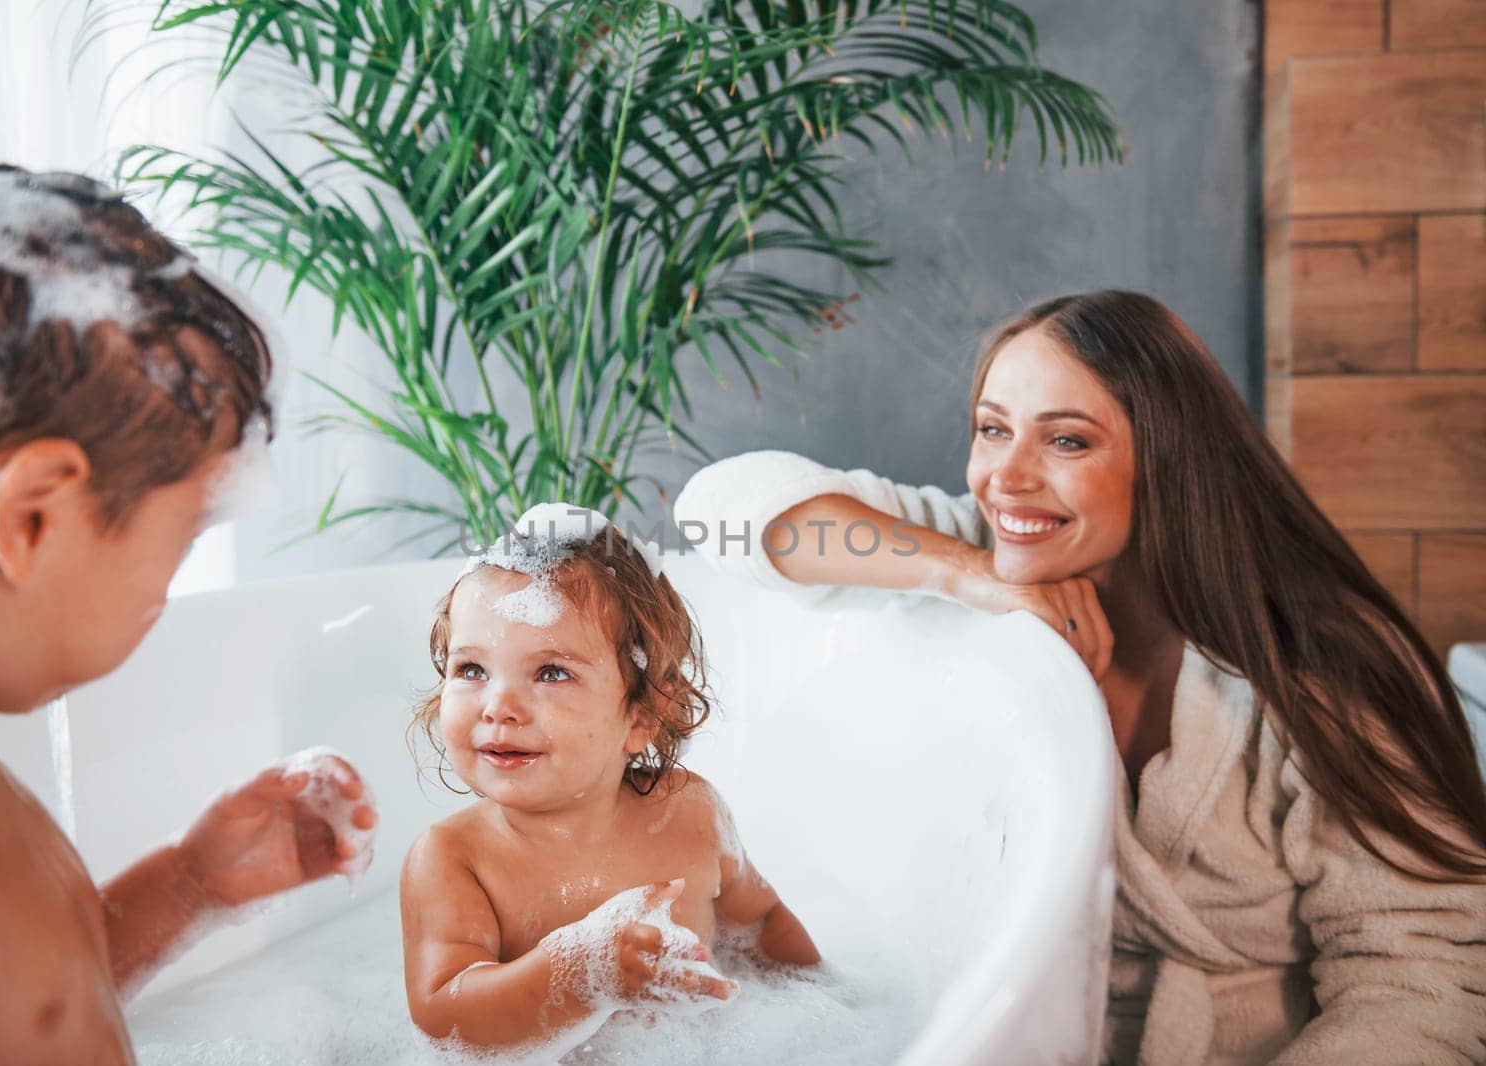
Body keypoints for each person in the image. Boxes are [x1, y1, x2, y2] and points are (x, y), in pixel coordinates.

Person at [673, 290, 1486, 1065]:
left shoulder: (1324, 669)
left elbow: (1421, 980)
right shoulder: (979, 550)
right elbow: (716, 511)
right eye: (992, 430)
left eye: (1066, 440)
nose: (1007, 477)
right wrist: (967, 575)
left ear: (1168, 460)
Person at [0, 164, 378, 1064]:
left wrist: (190, 884)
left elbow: (25, 1005)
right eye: (184, 536)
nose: (169, 587)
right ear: (33, 516)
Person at [400, 505, 819, 1051]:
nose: (497, 705)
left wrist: (828, 1003)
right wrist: (575, 974)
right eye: (471, 669)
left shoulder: (689, 812)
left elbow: (762, 923)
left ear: (641, 716)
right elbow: (442, 1013)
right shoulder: (454, 858)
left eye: (551, 672)